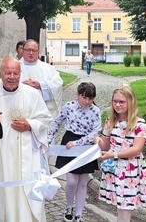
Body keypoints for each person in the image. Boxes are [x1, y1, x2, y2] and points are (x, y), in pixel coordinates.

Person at [0, 57, 53, 222]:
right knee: (2, 193)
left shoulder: (32, 94)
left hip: (26, 155)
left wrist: (30, 124)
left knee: (24, 191)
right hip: (0, 156)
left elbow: (45, 119)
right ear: (0, 73)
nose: (12, 77)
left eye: (15, 73)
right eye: (7, 73)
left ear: (21, 74)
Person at [94, 86, 146, 222]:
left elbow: (137, 149)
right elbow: (106, 145)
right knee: (120, 206)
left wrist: (112, 155)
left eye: (122, 102)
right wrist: (97, 141)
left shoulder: (139, 123)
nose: (117, 104)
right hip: (114, 169)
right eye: (115, 101)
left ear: (130, 102)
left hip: (130, 170)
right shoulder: (110, 121)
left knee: (126, 206)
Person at [47, 82, 101, 222]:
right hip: (69, 142)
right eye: (84, 97)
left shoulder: (95, 111)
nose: (87, 101)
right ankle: (69, 206)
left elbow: (95, 132)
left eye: (91, 98)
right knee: (71, 181)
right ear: (77, 95)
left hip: (85, 146)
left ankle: (79, 213)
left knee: (83, 182)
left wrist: (78, 143)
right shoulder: (69, 107)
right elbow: (57, 122)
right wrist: (48, 138)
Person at [20, 39, 63, 118]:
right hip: (20, 108)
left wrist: (40, 85)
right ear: (23, 51)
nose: (31, 53)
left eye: (34, 50)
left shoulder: (48, 68)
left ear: (38, 52)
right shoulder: (13, 67)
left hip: (41, 111)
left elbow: (58, 83)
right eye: (28, 50)